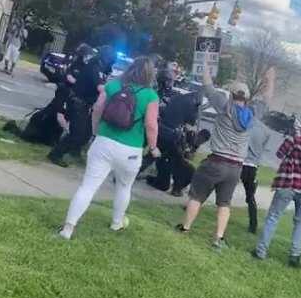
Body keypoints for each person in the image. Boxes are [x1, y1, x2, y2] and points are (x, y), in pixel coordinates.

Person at [59, 57, 160, 240]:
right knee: (123, 186)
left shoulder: (113, 85)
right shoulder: (150, 95)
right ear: (150, 74)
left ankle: (68, 228)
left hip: (103, 142)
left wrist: (96, 131)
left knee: (87, 186)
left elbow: (97, 108)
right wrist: (153, 147)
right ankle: (116, 222)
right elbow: (151, 125)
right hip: (131, 149)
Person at [177, 62, 275, 250]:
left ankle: (185, 227)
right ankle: (218, 238)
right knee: (224, 203)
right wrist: (270, 79)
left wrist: (205, 64)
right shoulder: (252, 114)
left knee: (197, 197)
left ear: (231, 94)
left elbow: (207, 85)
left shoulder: (224, 106)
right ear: (246, 99)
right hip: (236, 167)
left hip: (216, 161)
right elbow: (267, 99)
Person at [253, 112, 301, 267]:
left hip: (288, 182)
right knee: (299, 222)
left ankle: (261, 251)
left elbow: (280, 153)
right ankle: (295, 256)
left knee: (273, 217)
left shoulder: (297, 135)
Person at [48, 45, 105, 167]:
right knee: (77, 134)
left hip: (81, 103)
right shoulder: (94, 67)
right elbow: (100, 88)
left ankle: (68, 151)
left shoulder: (94, 66)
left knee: (83, 133)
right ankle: (56, 154)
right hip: (77, 102)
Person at [145, 91, 202, 193]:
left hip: (162, 129)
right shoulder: (192, 104)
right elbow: (192, 121)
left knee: (156, 156)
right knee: (167, 159)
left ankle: (163, 182)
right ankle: (172, 186)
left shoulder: (177, 97)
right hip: (172, 135)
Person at [241, 118, 270, 234]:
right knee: (250, 198)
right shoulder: (266, 131)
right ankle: (253, 225)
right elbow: (262, 150)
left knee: (219, 182)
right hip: (252, 165)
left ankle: (196, 203)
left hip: (241, 161)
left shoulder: (246, 124)